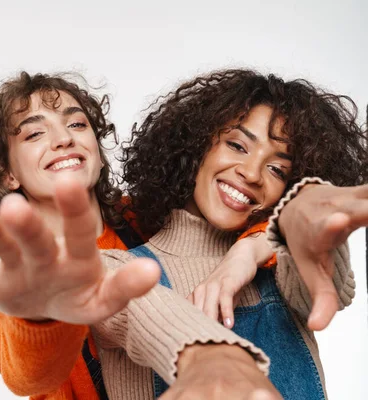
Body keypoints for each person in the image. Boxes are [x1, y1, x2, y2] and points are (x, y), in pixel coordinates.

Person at [0, 71, 283, 400]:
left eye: (77, 124)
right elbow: (31, 375)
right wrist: (38, 317)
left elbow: (261, 209)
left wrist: (249, 251)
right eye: (34, 134)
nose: (63, 139)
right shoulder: (14, 289)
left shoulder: (154, 219)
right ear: (7, 173)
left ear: (99, 156)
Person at [90, 68, 367, 399]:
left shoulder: (281, 269)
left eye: (278, 169)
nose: (251, 173)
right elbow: (141, 313)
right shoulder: (114, 268)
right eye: (237, 145)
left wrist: (303, 214)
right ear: (196, 144)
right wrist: (210, 357)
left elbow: (321, 274)